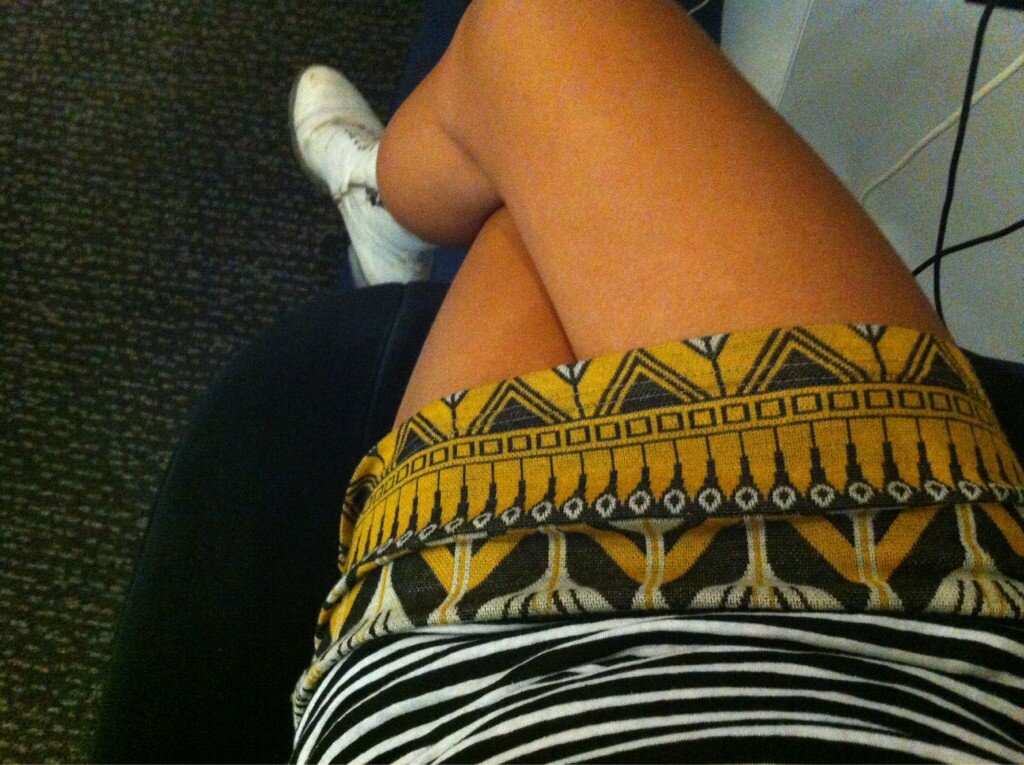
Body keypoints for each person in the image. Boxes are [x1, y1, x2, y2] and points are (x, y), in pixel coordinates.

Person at [287, 1, 1024, 761]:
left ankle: (387, 203)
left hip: (468, 695)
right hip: (907, 650)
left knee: (536, 48)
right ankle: (402, 200)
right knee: (537, 175)